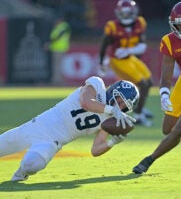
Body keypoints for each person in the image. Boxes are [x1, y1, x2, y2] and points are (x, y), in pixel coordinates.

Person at [0, 76, 139, 181]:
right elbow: (86, 103)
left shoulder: (109, 120)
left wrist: (113, 142)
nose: (120, 107)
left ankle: (20, 174)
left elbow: (95, 150)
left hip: (53, 142)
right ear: (114, 91)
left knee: (31, 165)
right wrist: (110, 109)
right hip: (37, 126)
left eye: (124, 106)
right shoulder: (97, 84)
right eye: (120, 100)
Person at [132, 1, 181, 174]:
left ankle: (148, 160)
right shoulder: (169, 41)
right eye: (177, 24)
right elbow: (167, 71)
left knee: (179, 130)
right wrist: (164, 93)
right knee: (166, 129)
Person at [98, 0, 153, 127]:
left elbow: (142, 44)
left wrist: (130, 50)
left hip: (130, 57)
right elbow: (104, 45)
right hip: (118, 60)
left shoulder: (140, 22)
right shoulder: (112, 26)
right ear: (118, 12)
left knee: (149, 82)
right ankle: (138, 116)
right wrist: (102, 62)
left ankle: (140, 107)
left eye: (129, 13)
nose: (126, 15)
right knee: (143, 85)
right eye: (124, 13)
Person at [44, 16, 71, 85]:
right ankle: (57, 80)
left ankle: (57, 81)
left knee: (58, 65)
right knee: (57, 65)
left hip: (60, 48)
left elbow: (57, 37)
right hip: (56, 48)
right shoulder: (59, 27)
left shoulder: (63, 26)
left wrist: (49, 44)